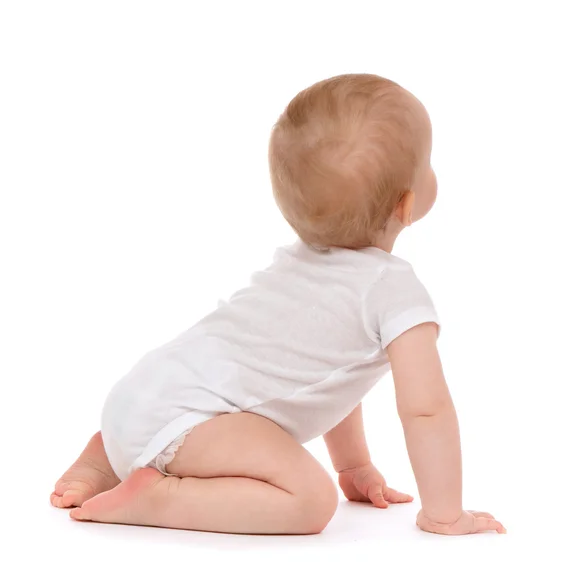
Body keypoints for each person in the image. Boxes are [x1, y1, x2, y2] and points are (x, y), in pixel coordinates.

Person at [50, 74, 505, 536]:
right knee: (309, 499)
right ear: (406, 205)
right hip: (188, 428)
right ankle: (161, 496)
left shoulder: (299, 264)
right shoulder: (396, 293)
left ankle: (104, 460)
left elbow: (333, 379)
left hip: (138, 397)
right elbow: (425, 409)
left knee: (179, 429)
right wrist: (446, 512)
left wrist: (353, 466)